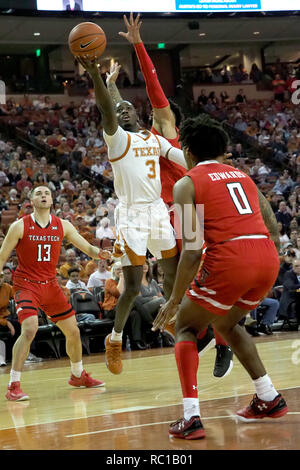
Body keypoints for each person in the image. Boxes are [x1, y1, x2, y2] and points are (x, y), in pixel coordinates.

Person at [152, 115, 288, 439]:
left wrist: (174, 299)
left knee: (186, 325)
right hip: (267, 257)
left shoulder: (187, 182)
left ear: (186, 149)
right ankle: (268, 396)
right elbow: (270, 223)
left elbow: (192, 249)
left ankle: (191, 418)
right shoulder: (243, 177)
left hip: (231, 257)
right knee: (227, 323)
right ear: (223, 149)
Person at [113, 13, 232, 376]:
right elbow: (119, 116)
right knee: (170, 282)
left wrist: (137, 45)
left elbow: (154, 90)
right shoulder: (141, 141)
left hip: (189, 210)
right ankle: (195, 335)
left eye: (154, 116)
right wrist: (110, 86)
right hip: (164, 215)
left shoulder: (166, 132)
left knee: (204, 278)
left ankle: (223, 340)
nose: (149, 119)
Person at [78, 52, 186, 376]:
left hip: (157, 211)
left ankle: (171, 318)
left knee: (172, 271)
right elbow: (107, 107)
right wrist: (97, 75)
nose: (121, 110)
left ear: (137, 114)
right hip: (131, 217)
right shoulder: (116, 138)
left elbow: (180, 155)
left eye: (127, 107)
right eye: (118, 109)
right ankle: (115, 338)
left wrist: (211, 164)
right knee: (135, 285)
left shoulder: (152, 137)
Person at [0, 185, 110, 401]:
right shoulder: (19, 225)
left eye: (46, 193)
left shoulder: (64, 225)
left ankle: (77, 375)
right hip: (26, 284)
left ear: (52, 200)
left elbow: (87, 249)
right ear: (31, 200)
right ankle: (13, 385)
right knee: (30, 328)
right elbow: (2, 255)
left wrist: (102, 253)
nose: (43, 195)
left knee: (74, 331)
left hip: (50, 285)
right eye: (38, 193)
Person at [279, 258, 300, 323]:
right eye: (296, 266)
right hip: (290, 299)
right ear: (292, 267)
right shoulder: (288, 274)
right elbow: (291, 287)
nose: (299, 268)